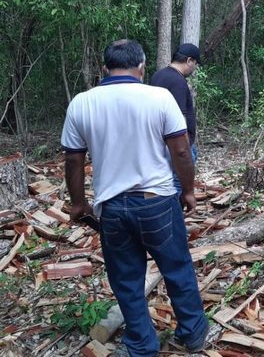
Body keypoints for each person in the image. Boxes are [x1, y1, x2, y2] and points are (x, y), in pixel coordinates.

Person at [61, 39, 208, 357]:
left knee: (127, 279)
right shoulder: (160, 98)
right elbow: (181, 150)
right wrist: (188, 190)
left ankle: (142, 345)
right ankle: (192, 334)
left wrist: (78, 203)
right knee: (177, 268)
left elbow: (73, 160)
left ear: (104, 68)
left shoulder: (82, 104)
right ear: (142, 67)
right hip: (157, 201)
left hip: (112, 208)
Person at [150, 43, 201, 192]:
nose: (195, 68)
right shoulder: (178, 82)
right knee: (178, 185)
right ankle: (177, 213)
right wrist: (184, 149)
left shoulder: (158, 75)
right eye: (195, 63)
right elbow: (179, 118)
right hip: (176, 146)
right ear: (189, 60)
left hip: (160, 142)